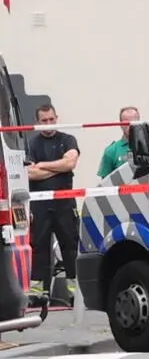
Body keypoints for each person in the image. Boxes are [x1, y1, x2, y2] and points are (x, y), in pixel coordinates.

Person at [26, 104, 81, 311]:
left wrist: (43, 165)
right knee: (39, 248)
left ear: (57, 118)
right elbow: (30, 173)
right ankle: (38, 294)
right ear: (37, 122)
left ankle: (74, 294)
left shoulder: (67, 140)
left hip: (65, 205)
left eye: (51, 119)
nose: (48, 124)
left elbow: (70, 163)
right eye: (44, 121)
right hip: (40, 206)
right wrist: (58, 168)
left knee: (70, 247)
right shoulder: (31, 144)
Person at [97, 106, 140, 179]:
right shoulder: (111, 151)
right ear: (120, 124)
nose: (130, 125)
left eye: (134, 121)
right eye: (127, 122)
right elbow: (105, 183)